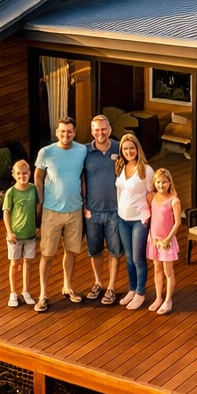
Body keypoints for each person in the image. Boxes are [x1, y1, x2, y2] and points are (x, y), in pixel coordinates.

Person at [34, 116, 88, 313]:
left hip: (75, 210)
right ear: (56, 132)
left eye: (69, 131)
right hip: (52, 211)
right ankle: (43, 295)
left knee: (71, 252)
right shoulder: (46, 152)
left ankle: (67, 286)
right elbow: (38, 178)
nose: (66, 134)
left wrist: (85, 201)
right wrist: (41, 201)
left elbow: (83, 175)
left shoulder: (82, 150)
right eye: (62, 131)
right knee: (47, 255)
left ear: (74, 132)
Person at [83, 114, 123, 305]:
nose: (100, 132)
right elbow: (80, 179)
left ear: (110, 130)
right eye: (97, 129)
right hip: (92, 211)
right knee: (95, 250)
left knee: (115, 251)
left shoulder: (120, 148)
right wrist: (84, 205)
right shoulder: (84, 151)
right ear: (92, 131)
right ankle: (98, 283)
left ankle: (111, 287)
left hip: (115, 211)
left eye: (104, 129)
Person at [114, 132, 154, 311]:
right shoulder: (121, 166)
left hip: (139, 219)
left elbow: (151, 194)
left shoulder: (146, 170)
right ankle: (132, 289)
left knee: (138, 258)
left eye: (132, 148)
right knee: (129, 257)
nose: (129, 151)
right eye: (125, 149)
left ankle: (140, 292)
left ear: (137, 149)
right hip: (123, 218)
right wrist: (119, 210)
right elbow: (119, 191)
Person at [2, 160, 38, 308]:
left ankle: (26, 291)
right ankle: (13, 292)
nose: (22, 176)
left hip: (30, 235)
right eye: (18, 174)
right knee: (14, 263)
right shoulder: (11, 192)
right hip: (15, 236)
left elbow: (38, 207)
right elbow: (6, 213)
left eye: (24, 173)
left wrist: (39, 225)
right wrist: (9, 232)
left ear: (29, 173)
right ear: (14, 175)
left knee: (28, 264)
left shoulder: (33, 189)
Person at [146, 167, 181, 315]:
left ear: (169, 183)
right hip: (154, 240)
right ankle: (158, 297)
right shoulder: (152, 197)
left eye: (164, 182)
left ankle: (168, 300)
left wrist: (168, 239)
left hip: (166, 242)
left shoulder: (174, 200)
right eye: (158, 182)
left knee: (168, 271)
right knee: (157, 269)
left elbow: (177, 222)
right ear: (154, 182)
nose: (161, 185)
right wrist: (150, 234)